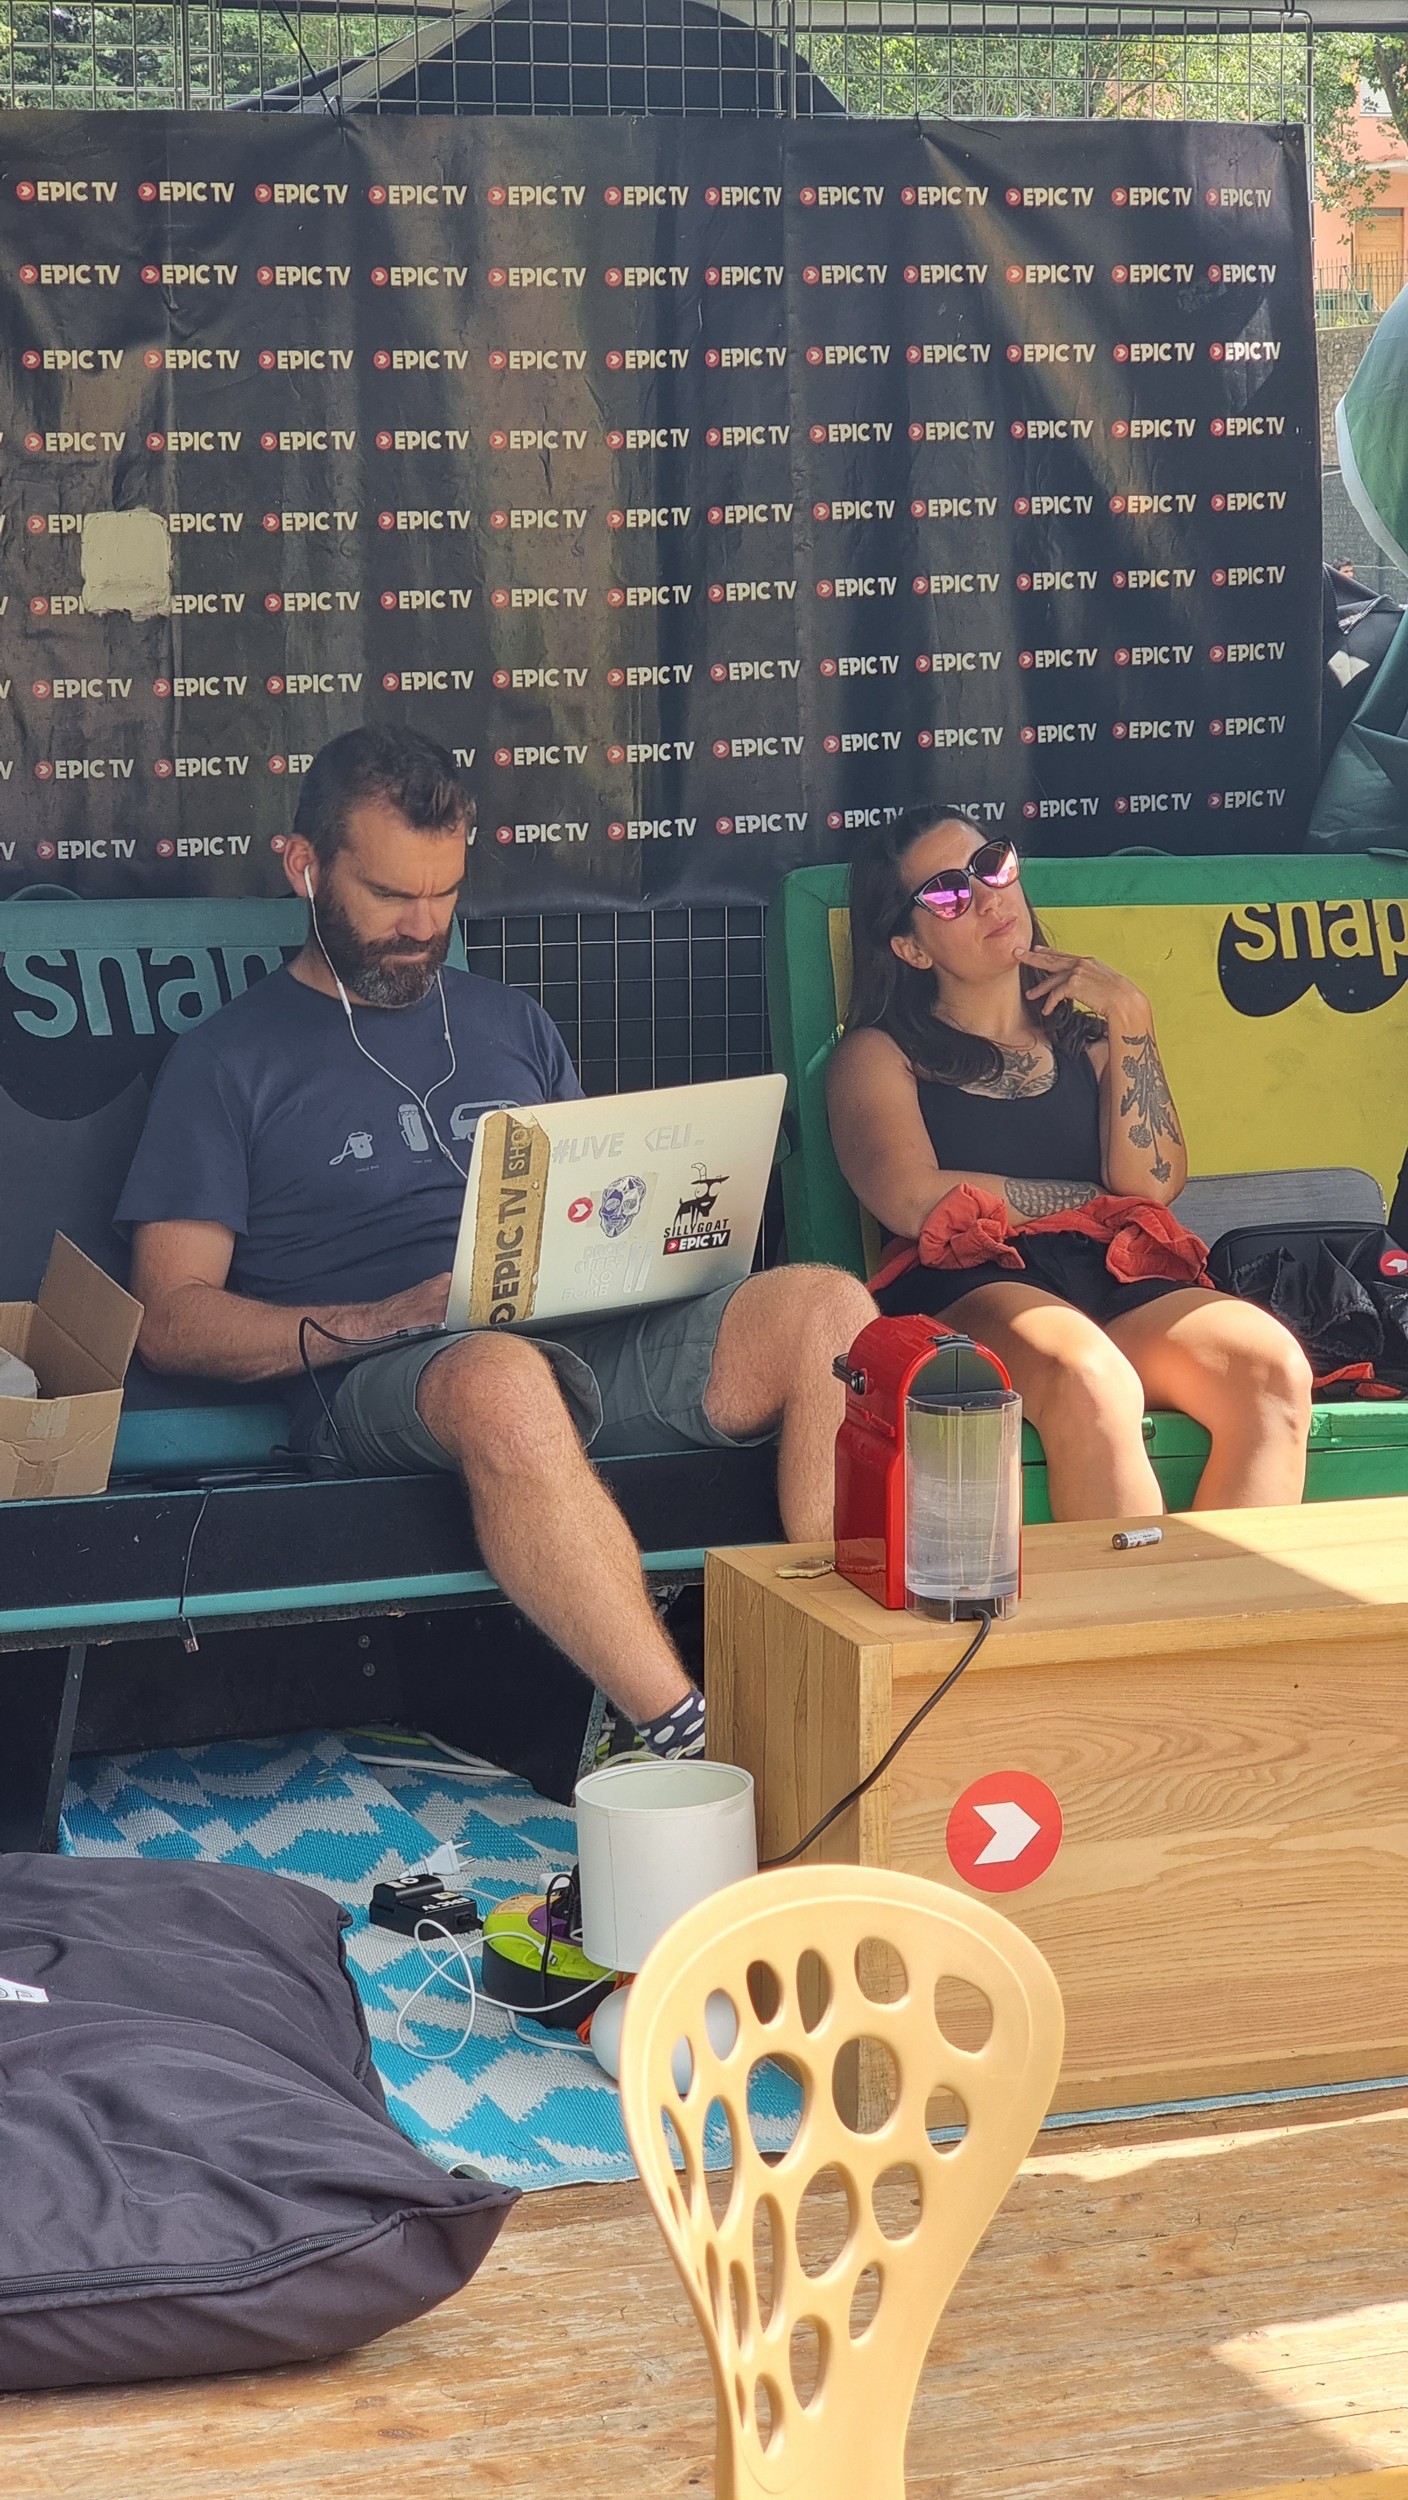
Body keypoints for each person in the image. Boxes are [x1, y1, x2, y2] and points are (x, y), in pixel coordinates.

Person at [119, 727, 874, 1760]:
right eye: (391, 895)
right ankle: (689, 1741)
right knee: (500, 1377)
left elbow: (590, 1204)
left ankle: (846, 1685)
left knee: (829, 1307)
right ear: (303, 867)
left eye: (444, 894)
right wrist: (381, 1317)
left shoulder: (511, 1022)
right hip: (377, 1375)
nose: (422, 927)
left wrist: (655, 1243)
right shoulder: (225, 1060)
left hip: (568, 1338)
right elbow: (168, 1318)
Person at [826, 806, 1312, 1521]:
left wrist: (1132, 1016)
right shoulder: (878, 1052)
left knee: (1271, 1368)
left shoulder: (1090, 1044)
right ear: (911, 948)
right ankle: (1130, 1597)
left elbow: (1152, 1184)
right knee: (1091, 1378)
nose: (987, 897)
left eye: (991, 865)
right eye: (949, 892)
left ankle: (1214, 1596)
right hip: (970, 1283)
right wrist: (1089, 1200)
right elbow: (912, 1197)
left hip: (1107, 1274)